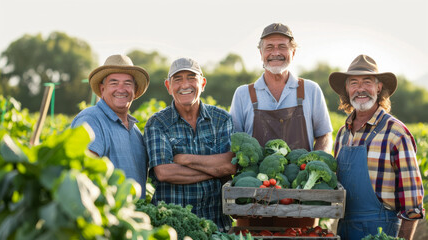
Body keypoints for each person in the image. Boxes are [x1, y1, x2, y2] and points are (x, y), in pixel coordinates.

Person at [229, 23, 333, 227]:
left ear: (293, 52)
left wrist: (313, 170)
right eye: (269, 47)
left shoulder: (310, 90)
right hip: (254, 195)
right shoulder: (243, 94)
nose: (275, 52)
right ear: (260, 53)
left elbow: (324, 136)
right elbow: (234, 142)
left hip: (301, 196)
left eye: (282, 46)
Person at [329, 54, 425, 240]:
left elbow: (412, 204)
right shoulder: (342, 134)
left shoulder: (395, 133)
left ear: (379, 87)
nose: (361, 89)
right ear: (347, 89)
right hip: (345, 231)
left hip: (382, 232)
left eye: (367, 82)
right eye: (354, 83)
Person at [143, 57, 237, 231]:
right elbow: (164, 172)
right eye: (177, 79)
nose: (185, 85)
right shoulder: (157, 123)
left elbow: (230, 166)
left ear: (202, 83)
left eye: (192, 78)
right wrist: (215, 170)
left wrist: (184, 159)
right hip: (171, 227)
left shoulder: (222, 119)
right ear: (168, 86)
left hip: (216, 225)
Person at [71, 54, 150, 198]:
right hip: (105, 217)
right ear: (102, 89)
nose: (121, 89)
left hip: (134, 217)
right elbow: (81, 177)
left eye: (127, 83)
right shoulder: (91, 120)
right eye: (114, 83)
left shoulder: (136, 132)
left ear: (134, 90)